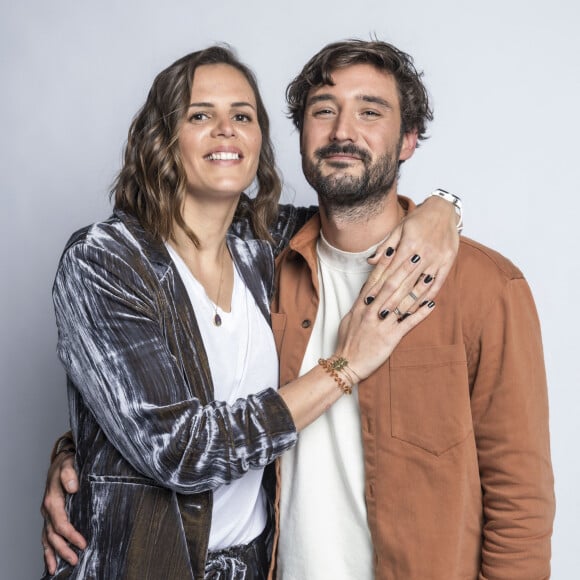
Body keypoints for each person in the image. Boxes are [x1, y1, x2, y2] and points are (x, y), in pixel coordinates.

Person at [39, 44, 460, 579]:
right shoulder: (104, 261)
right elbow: (179, 450)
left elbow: (359, 207)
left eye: (242, 115)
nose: (225, 131)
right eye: (200, 116)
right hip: (136, 565)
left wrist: (443, 208)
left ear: (260, 139)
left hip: (250, 567)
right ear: (161, 139)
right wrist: (345, 366)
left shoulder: (267, 249)